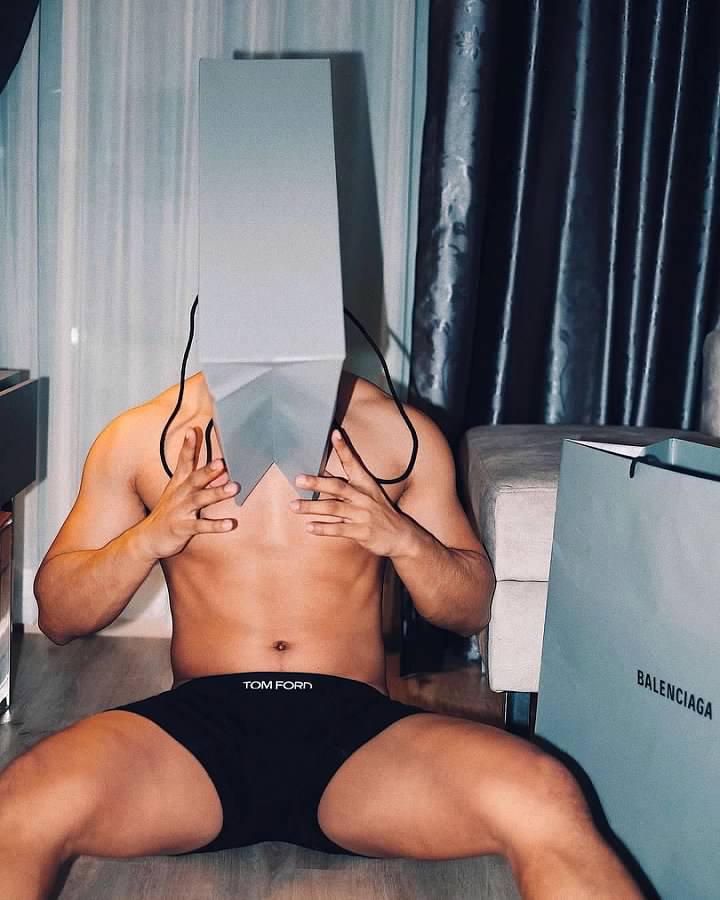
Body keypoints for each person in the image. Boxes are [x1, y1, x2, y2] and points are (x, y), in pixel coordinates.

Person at [0, 369, 642, 899]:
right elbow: (59, 615)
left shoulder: (396, 432)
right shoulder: (145, 435)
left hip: (358, 737)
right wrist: (148, 538)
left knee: (542, 793)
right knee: (24, 799)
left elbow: (469, 609)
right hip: (195, 734)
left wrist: (401, 538)